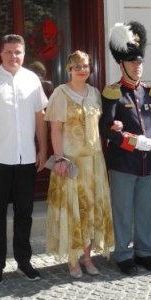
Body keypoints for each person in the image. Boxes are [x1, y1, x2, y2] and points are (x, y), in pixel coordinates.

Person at [0, 34, 48, 285]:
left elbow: (40, 116)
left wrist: (43, 148)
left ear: (24, 55)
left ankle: (24, 261)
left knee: (25, 212)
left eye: (18, 52)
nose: (14, 56)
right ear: (0, 54)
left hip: (26, 158)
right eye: (9, 52)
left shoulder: (32, 79)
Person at [100, 21, 151, 276]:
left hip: (148, 163)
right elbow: (105, 128)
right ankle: (124, 255)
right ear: (122, 65)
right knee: (123, 212)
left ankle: (145, 252)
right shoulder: (113, 93)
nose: (137, 68)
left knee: (145, 212)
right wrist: (131, 140)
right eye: (132, 63)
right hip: (123, 163)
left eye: (139, 63)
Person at [44, 50, 115, 278]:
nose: (82, 70)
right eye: (77, 66)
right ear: (69, 69)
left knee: (91, 210)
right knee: (75, 211)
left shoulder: (94, 93)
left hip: (94, 162)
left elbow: (99, 126)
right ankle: (73, 259)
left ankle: (87, 257)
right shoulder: (60, 94)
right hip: (71, 162)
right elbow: (55, 129)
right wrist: (59, 158)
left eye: (85, 66)